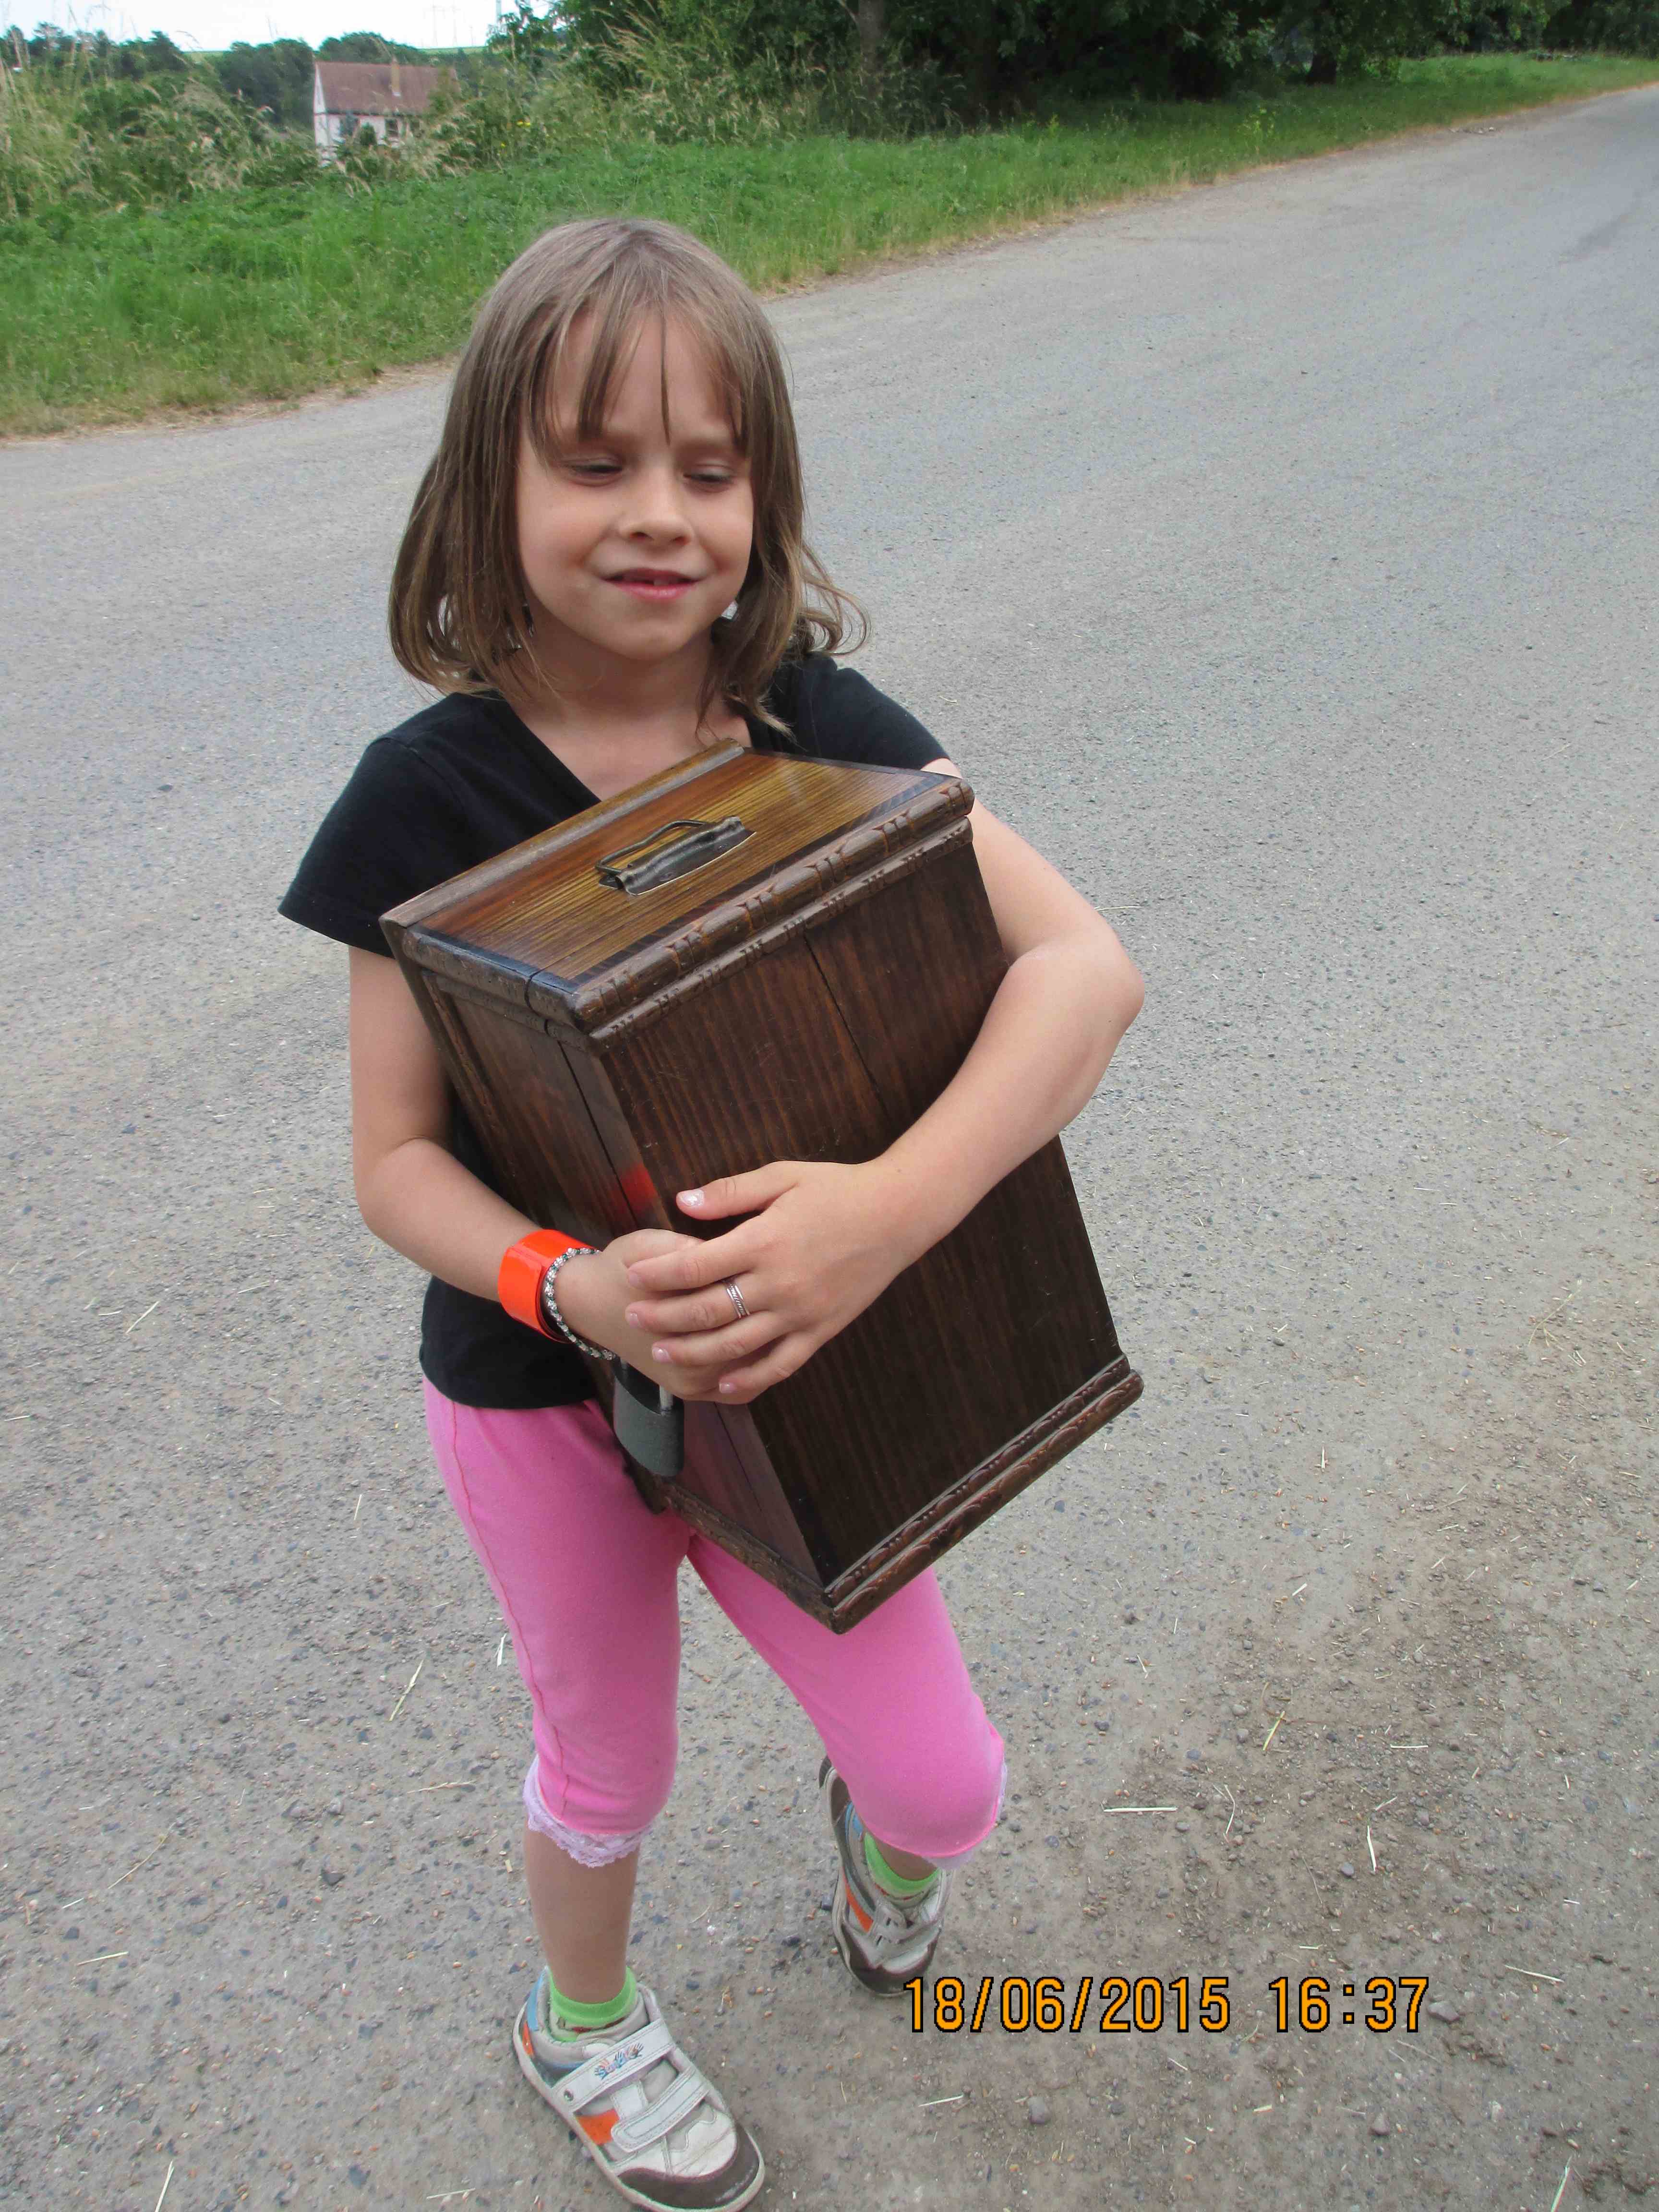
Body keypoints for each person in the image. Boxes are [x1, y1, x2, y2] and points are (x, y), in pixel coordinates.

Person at [280, 216, 1142, 2212]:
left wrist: (883, 1219)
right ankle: (580, 2022)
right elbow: (394, 1164)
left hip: (805, 1376)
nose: (661, 515)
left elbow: (1084, 971)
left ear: (766, 494)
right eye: (595, 462)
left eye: (711, 466)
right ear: (487, 485)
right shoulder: (422, 801)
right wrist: (574, 1289)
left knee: (948, 1786)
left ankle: (869, 1831)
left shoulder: (822, 725)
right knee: (612, 1766)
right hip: (541, 1405)